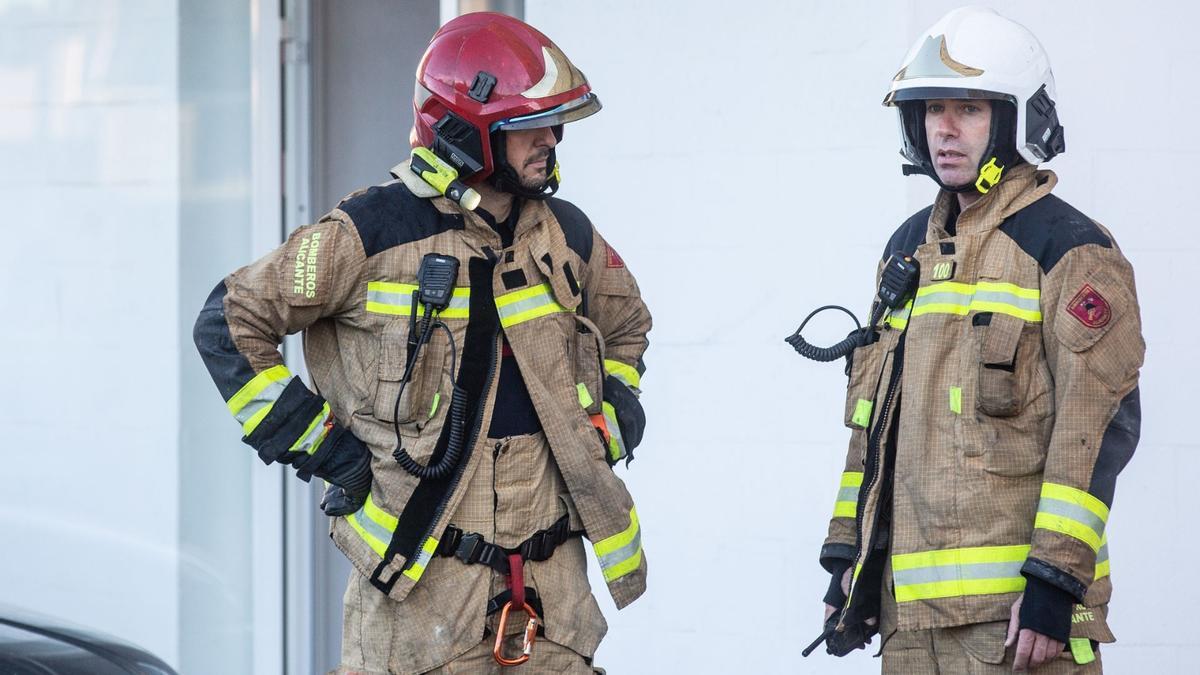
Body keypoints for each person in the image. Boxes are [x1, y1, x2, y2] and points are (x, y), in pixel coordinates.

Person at [193, 12, 651, 674]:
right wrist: (321, 445)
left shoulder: (568, 235)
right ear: (467, 129)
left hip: (553, 606)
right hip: (420, 607)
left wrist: (616, 404)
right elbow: (230, 321)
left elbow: (628, 322)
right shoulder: (371, 232)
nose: (551, 138)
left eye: (553, 123)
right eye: (531, 124)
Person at [814, 7, 1143, 673]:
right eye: (933, 109)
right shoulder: (908, 251)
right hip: (909, 623)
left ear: (1014, 120)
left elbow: (1096, 430)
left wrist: (1055, 583)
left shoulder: (1070, 249)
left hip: (1017, 626)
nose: (946, 128)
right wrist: (851, 557)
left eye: (968, 108)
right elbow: (874, 430)